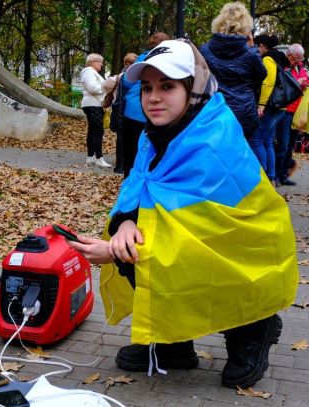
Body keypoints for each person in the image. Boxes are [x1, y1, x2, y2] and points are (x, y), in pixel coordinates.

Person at [67, 40, 297, 389]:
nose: (153, 97)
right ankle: (174, 340)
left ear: (194, 87)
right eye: (147, 88)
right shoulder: (159, 132)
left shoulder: (212, 140)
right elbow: (141, 183)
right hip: (197, 243)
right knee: (132, 245)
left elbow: (197, 239)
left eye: (167, 86)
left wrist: (116, 252)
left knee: (143, 257)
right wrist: (125, 222)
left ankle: (253, 330)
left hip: (241, 249)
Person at [200, 1, 266, 139]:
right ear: (246, 27)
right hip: (244, 113)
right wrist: (252, 47)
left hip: (214, 111)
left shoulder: (205, 50)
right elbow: (261, 75)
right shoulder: (251, 53)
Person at [121, 32, 170, 178]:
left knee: (130, 148)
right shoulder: (168, 59)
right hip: (156, 112)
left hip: (132, 111)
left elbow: (126, 82)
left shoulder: (141, 58)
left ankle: (129, 179)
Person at [251, 34, 289, 186]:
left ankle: (264, 179)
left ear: (261, 46)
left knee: (256, 140)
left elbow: (268, 83)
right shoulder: (279, 58)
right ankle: (271, 177)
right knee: (267, 142)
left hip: (270, 106)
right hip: (280, 106)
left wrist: (261, 104)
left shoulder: (268, 59)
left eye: (256, 46)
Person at [275, 43, 307, 186]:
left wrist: (303, 83)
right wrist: (297, 83)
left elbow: (304, 80)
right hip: (285, 110)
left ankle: (283, 175)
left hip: (297, 111)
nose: (298, 61)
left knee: (290, 147)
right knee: (282, 145)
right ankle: (275, 176)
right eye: (296, 58)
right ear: (289, 54)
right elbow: (282, 85)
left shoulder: (300, 68)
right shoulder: (284, 67)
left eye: (300, 58)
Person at [80, 53, 117, 168]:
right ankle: (99, 158)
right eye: (100, 62)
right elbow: (92, 87)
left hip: (92, 104)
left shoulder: (91, 72)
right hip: (93, 104)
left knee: (92, 130)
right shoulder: (89, 72)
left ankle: (90, 156)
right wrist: (107, 90)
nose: (101, 64)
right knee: (98, 131)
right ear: (93, 62)